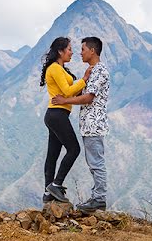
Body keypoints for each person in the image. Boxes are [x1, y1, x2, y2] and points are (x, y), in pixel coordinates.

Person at [52, 36, 109, 213]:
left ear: (92, 51)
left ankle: (99, 199)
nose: (80, 52)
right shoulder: (92, 71)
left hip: (94, 125)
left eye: (83, 49)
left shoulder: (100, 71)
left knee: (96, 163)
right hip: (88, 125)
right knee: (94, 163)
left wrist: (64, 100)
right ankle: (97, 197)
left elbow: (89, 97)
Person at [40, 37, 91, 205]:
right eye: (69, 49)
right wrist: (84, 79)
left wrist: (83, 87)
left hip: (56, 115)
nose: (72, 52)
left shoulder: (61, 69)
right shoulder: (54, 68)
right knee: (74, 149)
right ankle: (56, 184)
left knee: (52, 155)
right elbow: (67, 91)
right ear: (60, 51)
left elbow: (70, 92)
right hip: (57, 114)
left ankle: (48, 193)